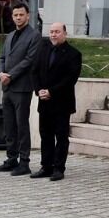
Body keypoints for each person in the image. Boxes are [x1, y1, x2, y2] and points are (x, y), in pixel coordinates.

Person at [0, 4, 44, 175]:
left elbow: (29, 60)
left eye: (21, 15)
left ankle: (24, 162)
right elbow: (1, 57)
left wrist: (11, 75)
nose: (18, 18)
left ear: (28, 16)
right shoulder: (10, 36)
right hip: (6, 86)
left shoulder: (34, 36)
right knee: (9, 125)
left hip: (21, 87)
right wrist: (0, 72)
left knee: (21, 125)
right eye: (15, 15)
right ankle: (11, 158)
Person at [31, 23, 83, 181]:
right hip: (44, 102)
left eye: (57, 32)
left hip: (61, 103)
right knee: (45, 135)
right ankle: (46, 166)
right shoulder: (43, 49)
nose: (53, 35)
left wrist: (51, 92)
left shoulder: (74, 54)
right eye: (51, 32)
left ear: (65, 34)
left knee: (61, 136)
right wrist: (38, 90)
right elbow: (34, 72)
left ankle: (59, 168)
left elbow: (70, 79)